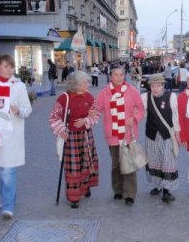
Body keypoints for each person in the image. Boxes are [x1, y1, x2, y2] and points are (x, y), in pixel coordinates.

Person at [0, 54, 33, 219]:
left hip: (12, 134)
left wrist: (19, 110)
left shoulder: (18, 86)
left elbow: (27, 109)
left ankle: (8, 205)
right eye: (6, 66)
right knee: (1, 169)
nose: (9, 70)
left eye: (11, 67)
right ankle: (8, 199)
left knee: (8, 169)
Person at [49, 71, 100, 209]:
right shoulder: (64, 98)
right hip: (70, 136)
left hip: (85, 135)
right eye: (85, 83)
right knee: (73, 166)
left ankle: (84, 189)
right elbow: (54, 117)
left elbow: (96, 113)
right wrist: (61, 130)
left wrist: (86, 120)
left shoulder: (89, 97)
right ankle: (74, 197)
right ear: (76, 84)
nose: (88, 85)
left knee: (86, 163)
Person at [97, 65, 145, 206]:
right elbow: (96, 109)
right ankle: (117, 190)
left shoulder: (132, 91)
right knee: (116, 165)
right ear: (110, 77)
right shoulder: (104, 93)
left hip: (128, 134)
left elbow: (141, 109)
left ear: (125, 76)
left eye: (121, 74)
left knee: (129, 165)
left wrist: (135, 118)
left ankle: (129, 194)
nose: (119, 77)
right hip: (113, 135)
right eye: (116, 75)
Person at [141, 74, 180, 203]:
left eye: (158, 85)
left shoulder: (171, 96)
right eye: (153, 85)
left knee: (168, 161)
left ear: (163, 85)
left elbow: (175, 116)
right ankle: (157, 186)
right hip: (151, 134)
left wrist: (178, 133)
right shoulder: (145, 97)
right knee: (153, 160)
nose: (155, 88)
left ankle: (166, 190)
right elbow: (141, 113)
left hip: (166, 134)